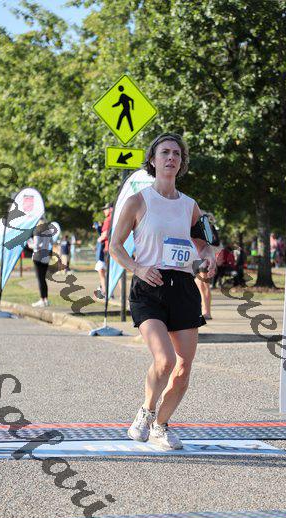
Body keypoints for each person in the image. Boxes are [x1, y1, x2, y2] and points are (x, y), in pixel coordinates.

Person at [110, 132, 216, 450]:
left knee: (183, 367)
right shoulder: (138, 201)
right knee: (165, 360)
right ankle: (146, 411)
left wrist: (208, 257)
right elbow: (115, 246)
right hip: (149, 286)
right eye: (165, 152)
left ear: (181, 163)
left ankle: (161, 425)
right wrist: (138, 268)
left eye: (176, 154)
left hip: (183, 288)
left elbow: (204, 243)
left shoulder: (190, 206)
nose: (171, 157)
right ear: (153, 161)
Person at [31, 218, 53, 308]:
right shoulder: (49, 232)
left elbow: (36, 246)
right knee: (43, 279)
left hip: (38, 257)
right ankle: (46, 299)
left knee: (40, 279)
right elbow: (51, 243)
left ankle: (41, 299)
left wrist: (29, 245)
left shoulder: (37, 230)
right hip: (46, 257)